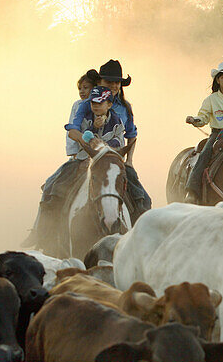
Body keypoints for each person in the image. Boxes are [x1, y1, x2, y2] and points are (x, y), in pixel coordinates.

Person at [25, 86, 127, 249]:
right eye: (94, 102)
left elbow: (119, 144)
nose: (96, 106)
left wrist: (102, 146)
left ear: (109, 104)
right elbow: (72, 131)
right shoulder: (84, 114)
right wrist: (90, 133)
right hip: (81, 160)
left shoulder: (117, 121)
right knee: (52, 186)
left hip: (109, 162)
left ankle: (140, 237)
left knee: (139, 194)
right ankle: (43, 236)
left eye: (100, 103)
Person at [91, 59, 151, 220]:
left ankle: (139, 239)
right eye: (109, 81)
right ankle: (44, 232)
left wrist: (129, 160)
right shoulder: (89, 104)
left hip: (116, 160)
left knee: (144, 200)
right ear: (99, 82)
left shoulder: (125, 107)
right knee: (55, 188)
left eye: (117, 82)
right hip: (91, 158)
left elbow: (131, 135)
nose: (114, 85)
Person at [185, 61, 223, 201]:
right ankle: (192, 191)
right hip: (218, 135)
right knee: (204, 155)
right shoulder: (211, 100)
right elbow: (203, 117)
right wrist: (195, 120)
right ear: (218, 80)